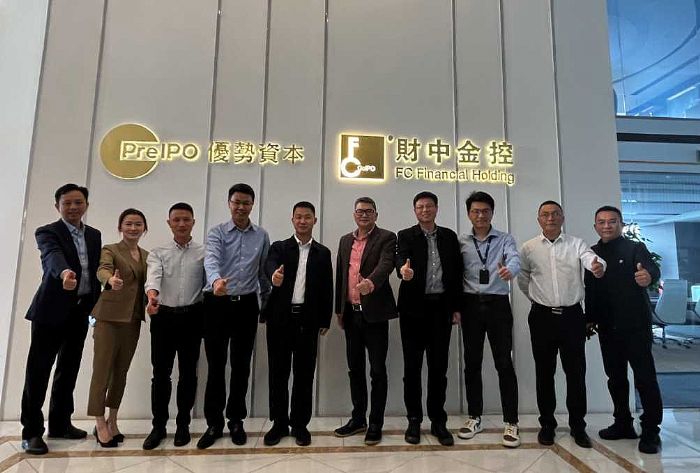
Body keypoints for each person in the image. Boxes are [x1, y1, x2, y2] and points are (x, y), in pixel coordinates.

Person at [20, 184, 102, 455]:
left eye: (78, 202)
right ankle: (32, 432)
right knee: (38, 371)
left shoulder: (94, 235)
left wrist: (95, 306)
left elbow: (94, 271)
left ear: (86, 205)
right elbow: (51, 256)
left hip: (80, 311)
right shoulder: (47, 232)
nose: (73, 207)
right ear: (58, 206)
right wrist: (65, 273)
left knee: (68, 368)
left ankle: (60, 423)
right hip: (50, 312)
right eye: (67, 203)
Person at [518, 200, 605, 448]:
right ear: (538, 219)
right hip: (541, 317)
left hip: (572, 317)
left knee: (576, 373)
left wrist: (597, 267)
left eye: (555, 214)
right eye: (545, 214)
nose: (550, 218)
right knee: (544, 373)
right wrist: (537, 298)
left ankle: (578, 426)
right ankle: (547, 424)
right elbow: (523, 279)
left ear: (562, 217)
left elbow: (591, 259)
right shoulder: (529, 248)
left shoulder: (576, 244)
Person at [198, 183, 271, 449]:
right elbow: (211, 261)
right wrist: (216, 281)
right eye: (236, 202)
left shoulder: (261, 235)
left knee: (241, 366)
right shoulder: (217, 232)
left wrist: (266, 304)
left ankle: (236, 420)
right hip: (217, 303)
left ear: (252, 205)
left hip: (247, 306)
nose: (241, 207)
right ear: (229, 203)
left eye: (246, 203)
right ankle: (214, 423)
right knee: (216, 366)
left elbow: (263, 273)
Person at [585, 205, 663, 454]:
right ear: (595, 226)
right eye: (602, 222)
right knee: (615, 378)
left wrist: (648, 277)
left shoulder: (635, 248)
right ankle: (623, 423)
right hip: (608, 326)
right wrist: (590, 319)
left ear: (621, 224)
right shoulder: (592, 253)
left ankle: (651, 430)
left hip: (635, 325)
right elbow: (591, 288)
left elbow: (652, 270)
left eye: (612, 221)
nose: (607, 225)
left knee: (645, 378)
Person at [261, 202, 333, 447]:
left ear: (315, 220)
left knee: (304, 374)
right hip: (280, 319)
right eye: (298, 217)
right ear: (292, 220)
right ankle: (279, 423)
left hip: (308, 320)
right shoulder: (279, 248)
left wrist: (325, 319)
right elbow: (269, 265)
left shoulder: (322, 253)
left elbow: (327, 287)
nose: (303, 221)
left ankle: (300, 424)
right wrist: (274, 276)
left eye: (307, 217)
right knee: (278, 373)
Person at [395, 191, 462, 446]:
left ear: (436, 208)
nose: (425, 210)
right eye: (420, 207)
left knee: (438, 368)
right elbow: (400, 260)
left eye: (429, 206)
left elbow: (456, 272)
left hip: (441, 309)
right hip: (413, 310)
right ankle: (414, 420)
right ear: (415, 211)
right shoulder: (405, 235)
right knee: (412, 368)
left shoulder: (449, 236)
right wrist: (403, 271)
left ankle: (438, 421)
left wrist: (456, 307)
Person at [458, 191, 521, 448]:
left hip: (497, 305)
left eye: (485, 211)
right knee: (472, 363)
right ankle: (474, 417)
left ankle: (511, 421)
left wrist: (510, 270)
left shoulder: (505, 239)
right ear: (469, 214)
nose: (481, 215)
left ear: (492, 213)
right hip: (470, 305)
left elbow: (514, 258)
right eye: (476, 211)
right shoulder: (461, 242)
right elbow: (455, 274)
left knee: (504, 363)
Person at [333, 197, 397, 445]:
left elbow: (386, 264)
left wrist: (370, 282)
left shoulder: (386, 237)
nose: (364, 215)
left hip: (375, 315)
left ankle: (376, 423)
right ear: (354, 214)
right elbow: (341, 274)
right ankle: (358, 418)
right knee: (355, 369)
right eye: (360, 211)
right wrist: (339, 309)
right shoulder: (345, 240)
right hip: (351, 314)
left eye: (369, 211)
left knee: (377, 370)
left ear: (376, 215)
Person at [142, 203, 205, 449]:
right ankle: (158, 427)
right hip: (163, 317)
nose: (181, 224)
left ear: (193, 222)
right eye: (176, 220)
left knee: (188, 374)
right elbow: (153, 278)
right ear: (169, 223)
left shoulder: (203, 252)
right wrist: (152, 297)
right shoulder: (158, 253)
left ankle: (183, 425)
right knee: (160, 374)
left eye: (186, 219)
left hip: (192, 317)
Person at [87, 208, 149, 448]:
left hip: (132, 319)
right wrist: (109, 280)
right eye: (128, 224)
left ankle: (112, 420)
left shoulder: (146, 255)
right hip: (108, 318)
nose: (133, 228)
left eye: (138, 224)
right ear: (120, 227)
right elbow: (102, 269)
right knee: (102, 371)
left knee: (121, 372)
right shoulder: (111, 250)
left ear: (144, 228)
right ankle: (99, 421)